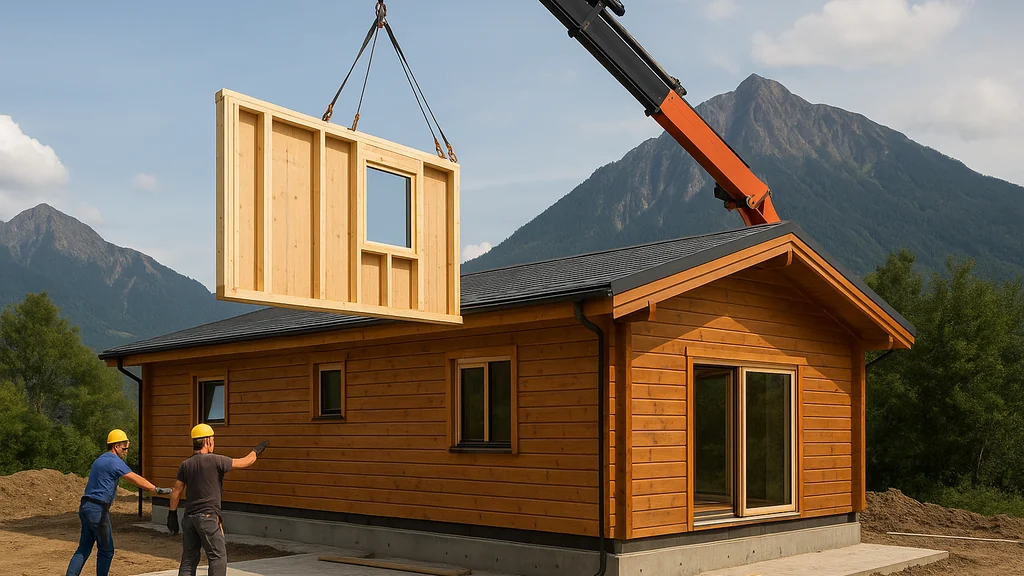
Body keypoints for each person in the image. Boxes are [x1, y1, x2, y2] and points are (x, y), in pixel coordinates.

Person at [65, 429, 170, 576]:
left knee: (84, 547)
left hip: (85, 507)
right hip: (98, 510)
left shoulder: (100, 460)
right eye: (124, 448)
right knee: (106, 549)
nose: (126, 451)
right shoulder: (114, 462)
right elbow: (135, 479)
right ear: (116, 447)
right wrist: (156, 489)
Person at [167, 423, 268, 576]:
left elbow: (176, 491)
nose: (214, 443)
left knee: (188, 559)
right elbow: (245, 462)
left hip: (189, 519)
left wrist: (172, 514)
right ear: (207, 441)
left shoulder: (185, 465)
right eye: (213, 440)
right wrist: (256, 451)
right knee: (217, 557)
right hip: (208, 518)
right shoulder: (216, 461)